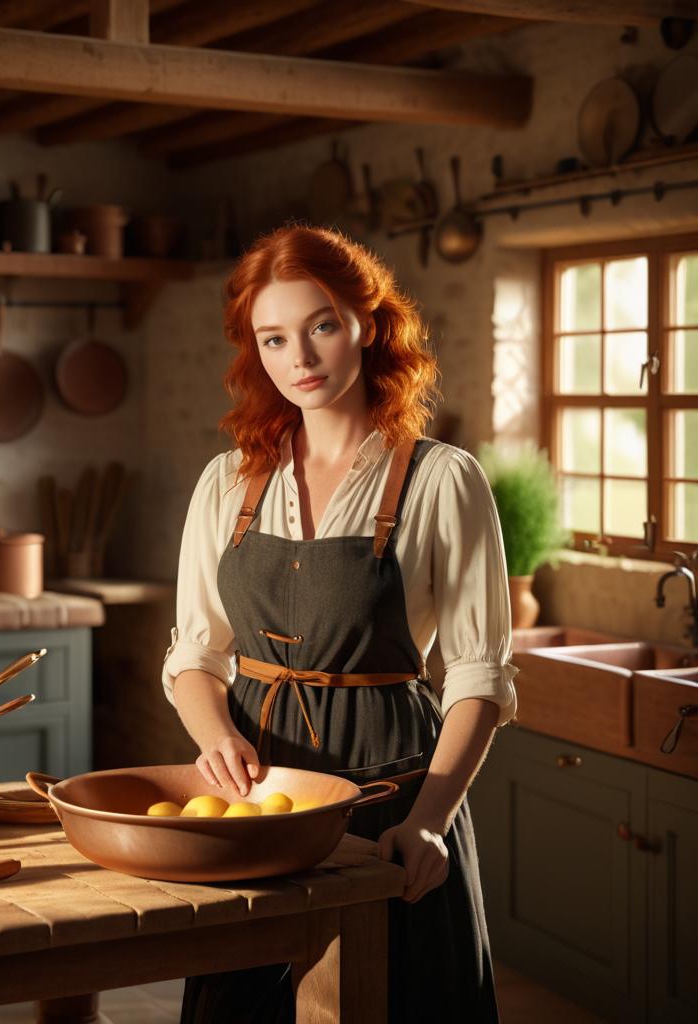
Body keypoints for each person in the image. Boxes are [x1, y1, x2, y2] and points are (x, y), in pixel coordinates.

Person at [161, 224, 518, 1023]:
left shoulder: (441, 480)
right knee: (241, 1003)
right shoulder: (227, 484)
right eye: (274, 338)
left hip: (391, 795)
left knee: (398, 998)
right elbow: (195, 655)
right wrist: (215, 738)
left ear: (368, 322)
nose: (301, 358)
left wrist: (430, 822)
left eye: (321, 325)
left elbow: (479, 678)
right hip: (258, 800)